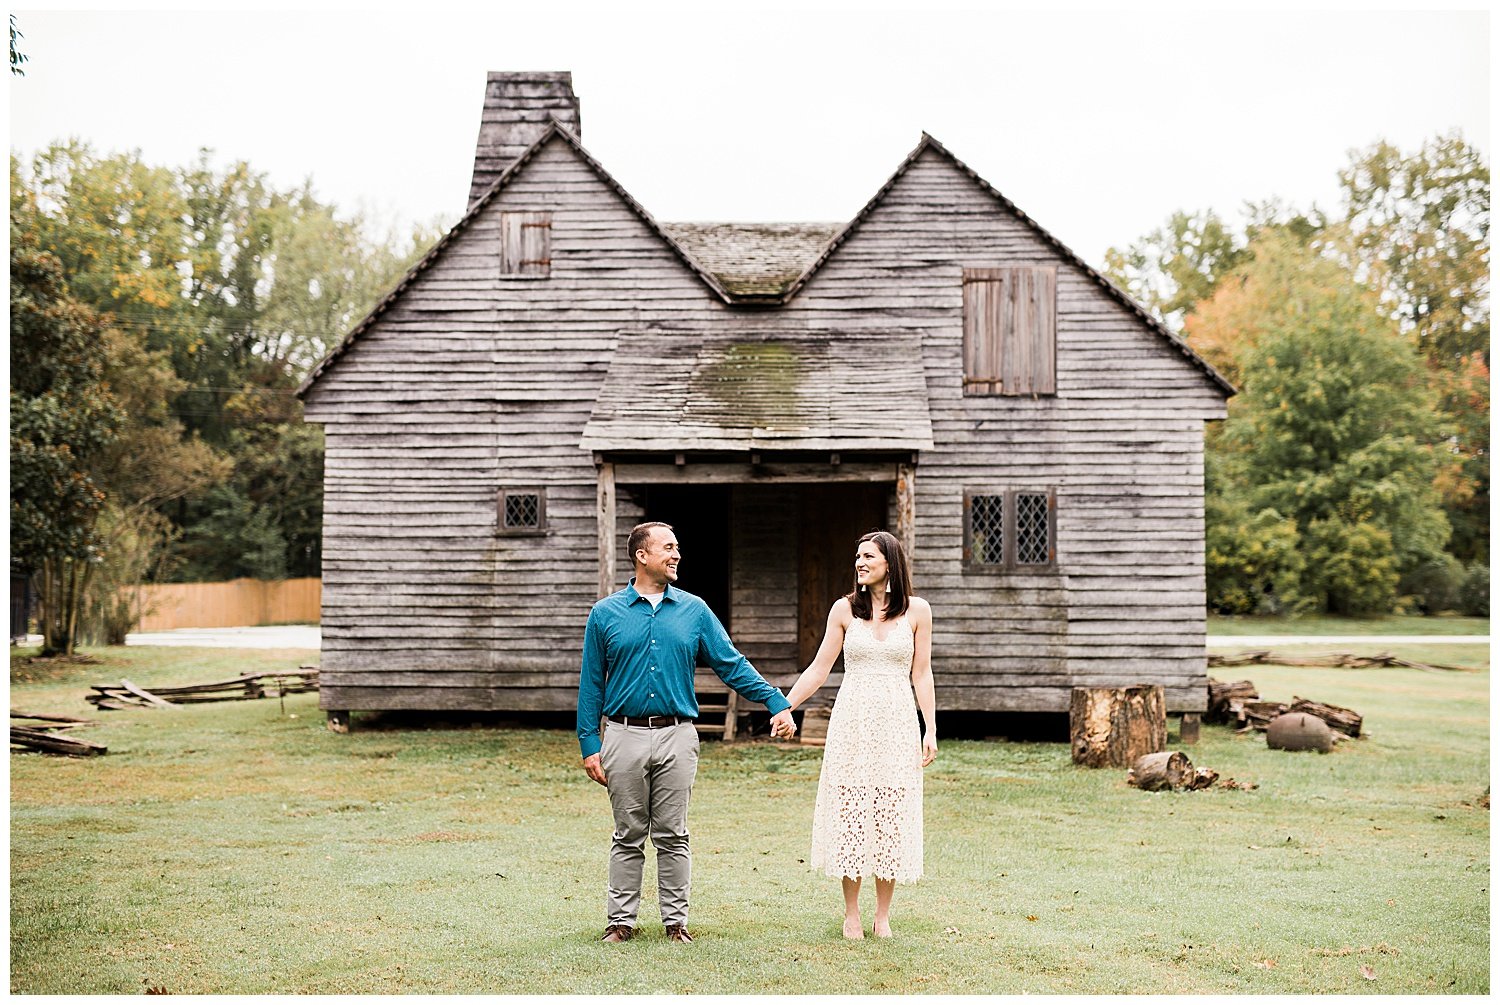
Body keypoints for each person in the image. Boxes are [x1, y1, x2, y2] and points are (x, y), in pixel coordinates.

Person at [577, 521, 798, 944]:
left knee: (673, 833)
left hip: (678, 736)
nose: (677, 554)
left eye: (677, 547)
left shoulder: (695, 610)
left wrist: (775, 701)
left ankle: (675, 923)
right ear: (642, 555)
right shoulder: (604, 613)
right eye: (668, 547)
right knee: (628, 833)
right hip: (622, 735)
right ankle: (620, 922)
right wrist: (590, 743)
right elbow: (592, 683)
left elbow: (730, 663)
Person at [785, 529, 936, 939]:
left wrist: (930, 728)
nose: (859, 563)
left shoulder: (918, 611)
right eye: (857, 557)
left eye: (868, 556)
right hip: (852, 721)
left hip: (898, 722)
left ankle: (882, 915)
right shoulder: (844, 610)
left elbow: (921, 673)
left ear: (890, 562)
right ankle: (851, 912)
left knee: (890, 813)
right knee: (851, 809)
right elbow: (819, 668)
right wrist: (787, 705)